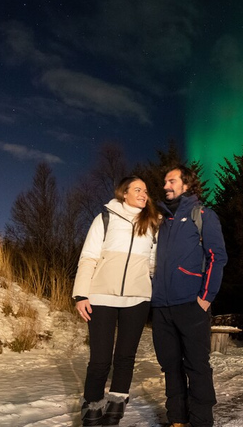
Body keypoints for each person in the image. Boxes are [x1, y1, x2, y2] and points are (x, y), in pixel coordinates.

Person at [72, 176, 159, 426]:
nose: (144, 194)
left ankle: (115, 412)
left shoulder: (152, 224)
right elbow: (88, 257)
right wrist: (81, 294)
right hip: (101, 297)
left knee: (125, 357)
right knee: (100, 360)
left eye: (146, 190)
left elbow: (153, 265)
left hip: (137, 299)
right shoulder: (105, 219)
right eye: (138, 189)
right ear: (124, 193)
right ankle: (92, 412)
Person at [151, 164, 228, 427]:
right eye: (164, 182)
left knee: (197, 366)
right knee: (170, 367)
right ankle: (177, 419)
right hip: (161, 307)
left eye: (171, 180)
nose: (165, 186)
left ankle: (201, 421)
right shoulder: (161, 221)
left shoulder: (202, 215)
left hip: (191, 304)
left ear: (187, 184)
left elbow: (217, 257)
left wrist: (205, 298)